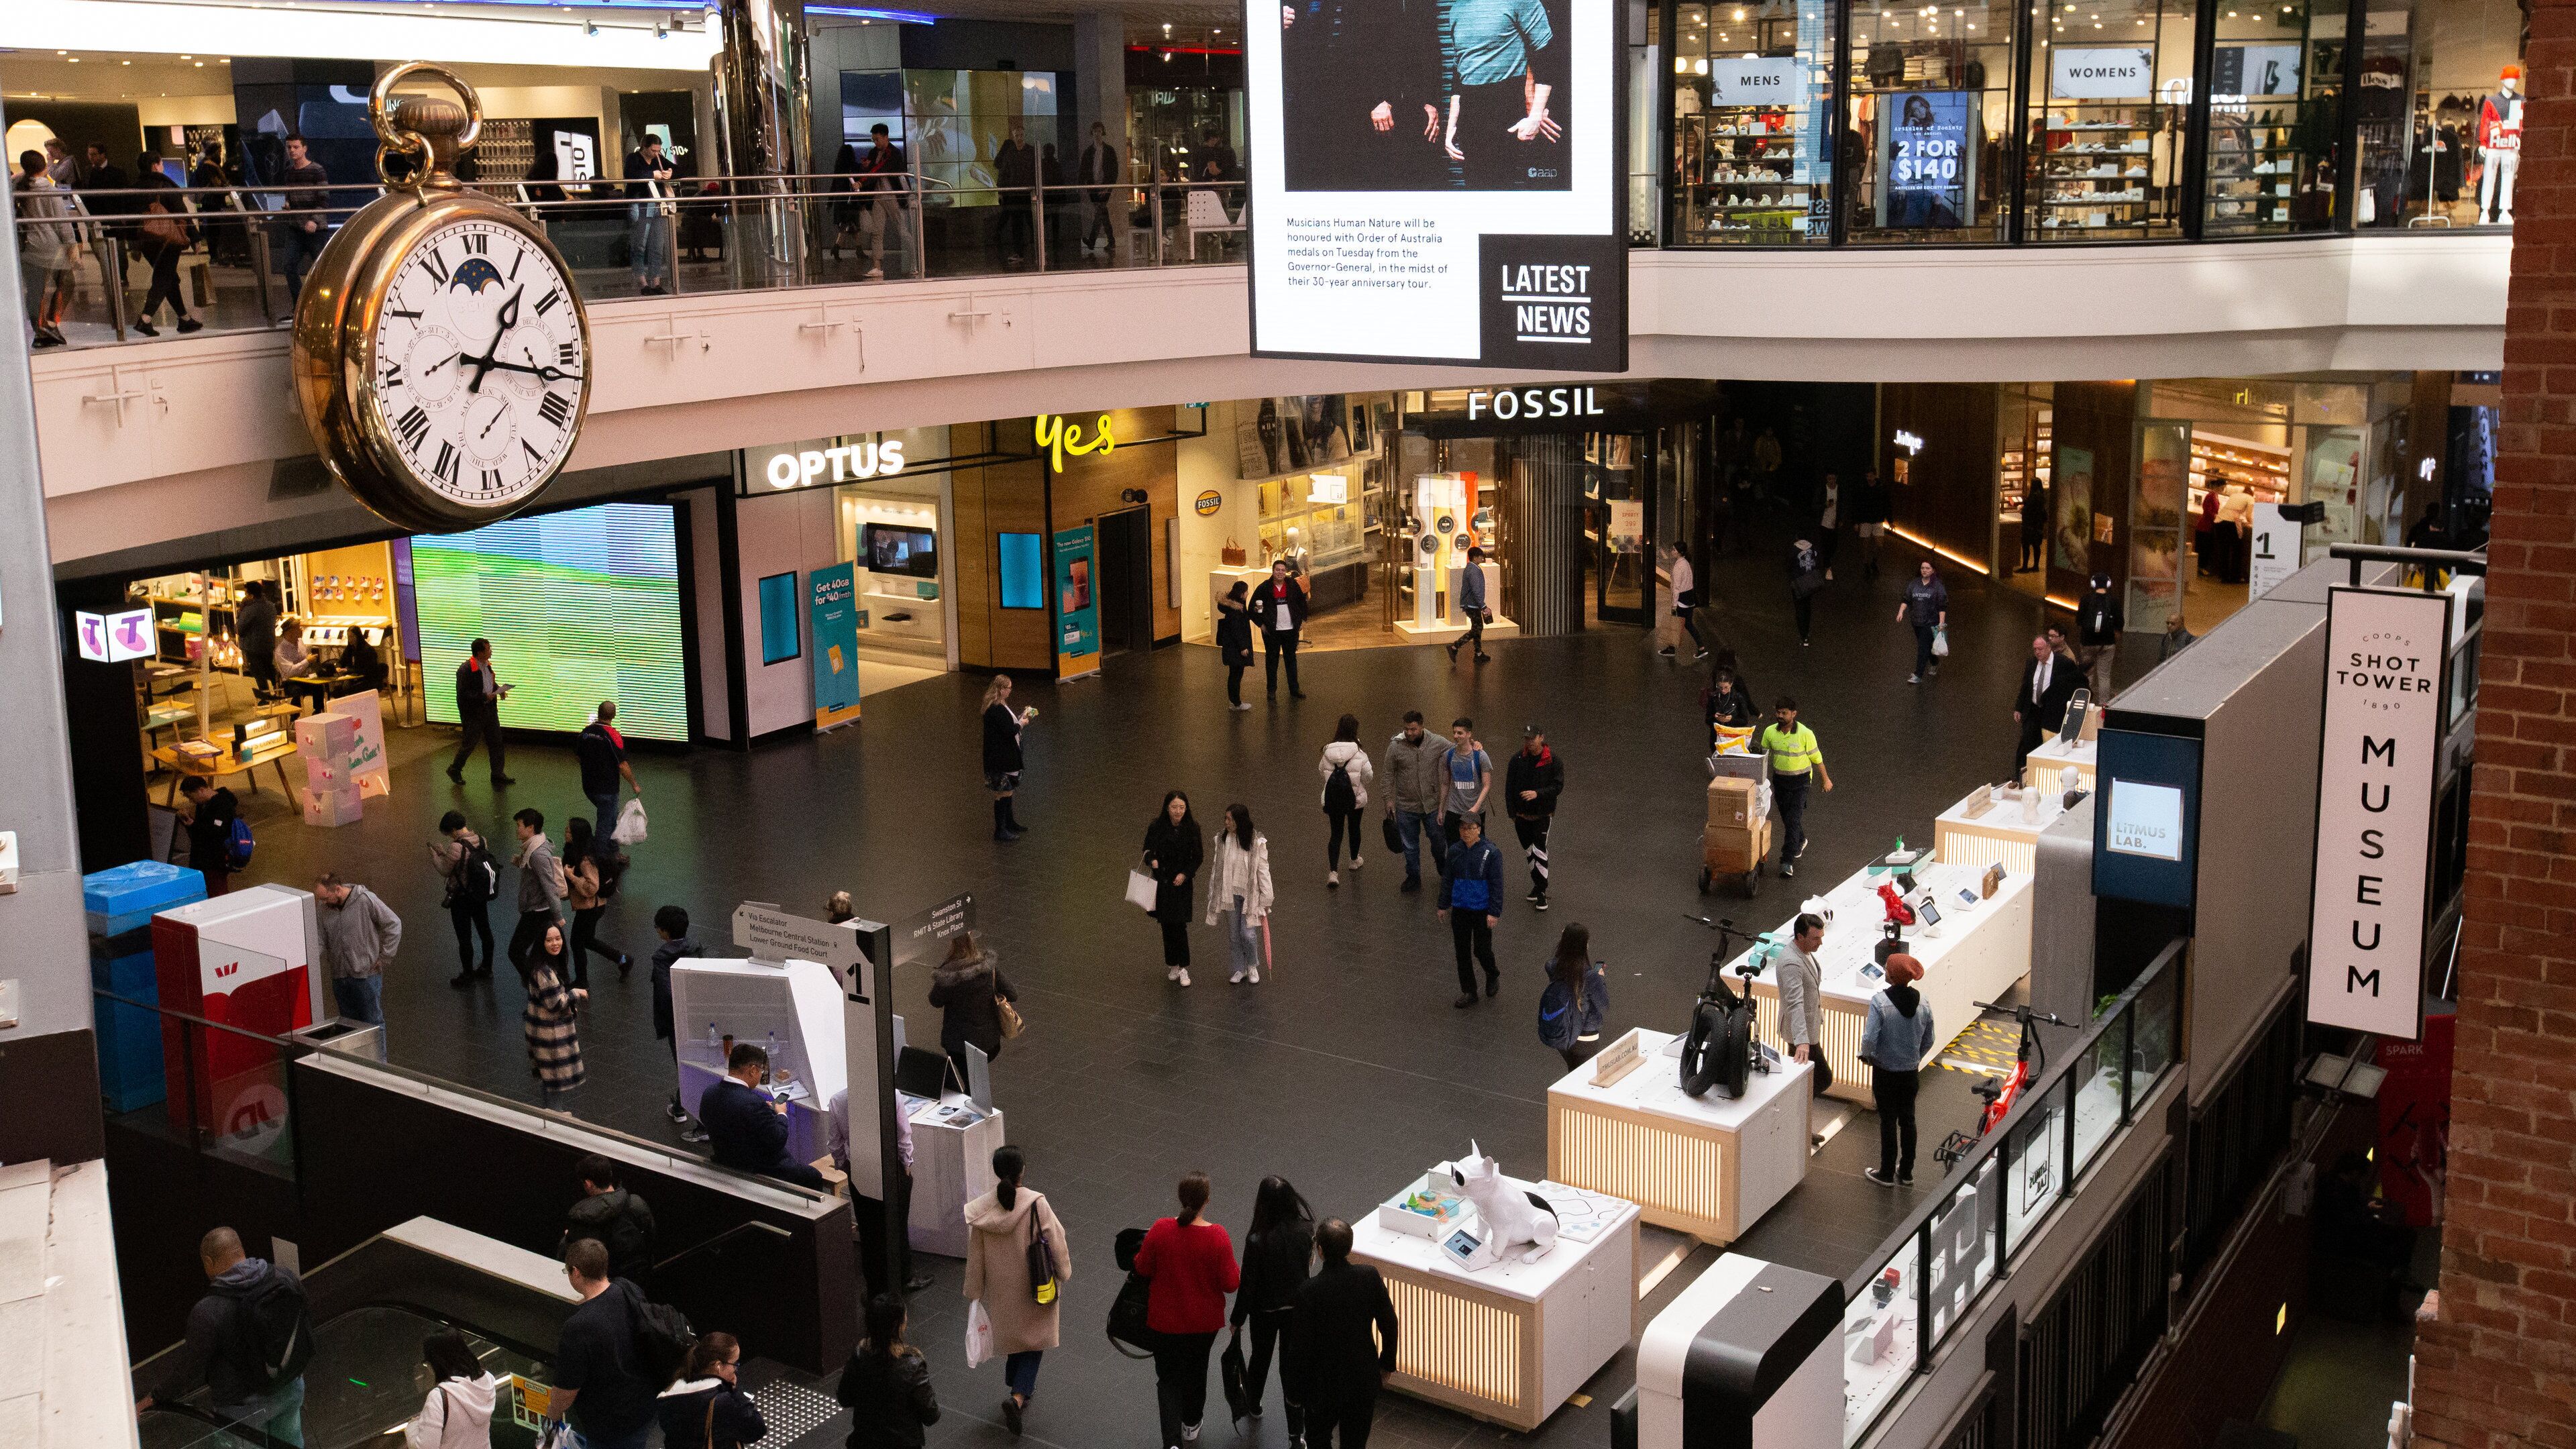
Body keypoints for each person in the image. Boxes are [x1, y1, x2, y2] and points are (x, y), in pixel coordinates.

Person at [135, 1227, 311, 1445]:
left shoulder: (207, 1312)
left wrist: (153, 1398)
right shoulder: (283, 1276)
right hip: (290, 1387)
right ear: (241, 1250)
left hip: (243, 1413)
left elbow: (188, 1370)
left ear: (208, 1261)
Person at [963, 1145, 1070, 1435]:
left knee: (1014, 1336)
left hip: (1002, 1291)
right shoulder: (1036, 1204)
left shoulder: (983, 1212)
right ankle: (1018, 1396)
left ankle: (1016, 1382)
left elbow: (976, 1256)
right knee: (1034, 1341)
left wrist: (974, 1291)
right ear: (1022, 1170)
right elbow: (1056, 1239)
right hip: (1035, 1286)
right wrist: (1064, 1272)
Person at [1135, 1171, 1240, 1449]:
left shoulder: (1161, 1228)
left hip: (1164, 1322)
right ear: (1207, 1201)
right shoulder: (1218, 1236)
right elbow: (1231, 1284)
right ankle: (1191, 1424)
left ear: (1181, 1198)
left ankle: (1171, 1442)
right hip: (1204, 1325)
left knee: (1168, 1380)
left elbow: (1142, 1267)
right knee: (1197, 1370)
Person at [1284, 1218, 1399, 1449]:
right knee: (1355, 1443)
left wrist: (1295, 1392)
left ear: (1320, 1250)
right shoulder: (1369, 1277)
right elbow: (1389, 1323)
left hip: (1322, 1385)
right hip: (1361, 1378)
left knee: (1318, 1439)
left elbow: (1299, 1347)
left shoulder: (1308, 1291)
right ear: (1350, 1247)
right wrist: (1387, 1363)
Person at [1232, 1177, 1316, 1437]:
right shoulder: (1306, 1229)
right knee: (1290, 1366)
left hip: (1264, 1311)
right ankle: (1295, 1433)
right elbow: (1308, 1266)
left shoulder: (1256, 1239)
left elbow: (1248, 1284)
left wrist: (1237, 1319)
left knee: (1260, 1357)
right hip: (1296, 1309)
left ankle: (1253, 1403)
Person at [553, 1240, 657, 1449]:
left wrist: (551, 1415)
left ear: (576, 1272)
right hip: (644, 1407)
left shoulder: (578, 1327)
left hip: (610, 1428)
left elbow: (566, 1392)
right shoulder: (628, 1288)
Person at [698, 1042, 824, 1187]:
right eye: (761, 1071)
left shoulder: (709, 1092)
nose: (760, 1076)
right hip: (759, 1169)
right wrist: (781, 1114)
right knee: (813, 1176)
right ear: (753, 1070)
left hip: (725, 1160)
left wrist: (762, 1111)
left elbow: (715, 1118)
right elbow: (777, 1140)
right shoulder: (753, 1103)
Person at [1861, 953, 1935, 1187]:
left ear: (1892, 975)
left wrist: (1869, 1057)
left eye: (1887, 968)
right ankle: (1906, 1172)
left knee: (1888, 1121)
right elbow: (1930, 1039)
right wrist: (1915, 1058)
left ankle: (1885, 1172)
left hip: (1885, 1072)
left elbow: (1869, 1039)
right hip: (1910, 1073)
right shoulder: (1923, 1002)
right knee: (1908, 1120)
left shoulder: (1880, 1002)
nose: (1884, 969)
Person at [836, 1293, 941, 1449]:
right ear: (900, 1325)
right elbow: (931, 1416)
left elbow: (844, 1399)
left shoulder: (859, 1356)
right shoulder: (913, 1366)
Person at [1756, 698, 1831, 878]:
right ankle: (1801, 839)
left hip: (1801, 782)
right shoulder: (1769, 732)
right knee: (1788, 818)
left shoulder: (1805, 734)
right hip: (1780, 781)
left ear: (1794, 714)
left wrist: (1826, 780)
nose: (1780, 716)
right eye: (1778, 712)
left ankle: (1786, 861)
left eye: (1785, 713)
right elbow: (1764, 758)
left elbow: (1817, 759)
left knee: (1793, 818)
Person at [313, 872, 400, 1026]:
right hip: (340, 976)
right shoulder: (323, 908)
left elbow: (393, 924)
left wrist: (385, 957)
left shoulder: (365, 900)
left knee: (373, 1023)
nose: (323, 903)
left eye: (326, 898)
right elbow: (320, 939)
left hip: (366, 976)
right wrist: (309, 962)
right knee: (348, 1025)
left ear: (338, 890)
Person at [651, 906, 708, 1142]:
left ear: (664, 932)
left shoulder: (662, 958)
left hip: (677, 1022)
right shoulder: (696, 948)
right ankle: (678, 1107)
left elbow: (666, 995)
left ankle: (703, 1126)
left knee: (686, 1070)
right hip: (701, 1017)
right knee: (692, 1066)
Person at [928, 932, 1018, 1081]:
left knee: (970, 1082)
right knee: (976, 1081)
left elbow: (935, 1001)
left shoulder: (948, 975)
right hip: (989, 1043)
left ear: (952, 946)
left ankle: (973, 1093)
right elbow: (1013, 994)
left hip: (958, 1046)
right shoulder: (988, 968)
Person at [655, 1332, 765, 1449]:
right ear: (718, 1366)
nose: (736, 1369)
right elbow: (757, 1429)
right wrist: (734, 1391)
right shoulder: (724, 1401)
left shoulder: (668, 1397)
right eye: (735, 1364)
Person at [1438, 815, 1505, 1008]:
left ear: (1479, 829)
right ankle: (1469, 991)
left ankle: (1492, 973)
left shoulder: (1491, 853)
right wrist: (1443, 905)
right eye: (1462, 828)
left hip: (1482, 910)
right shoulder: (1454, 851)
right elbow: (1447, 879)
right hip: (1460, 908)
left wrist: (1494, 912)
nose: (1465, 832)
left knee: (1482, 950)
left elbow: (1497, 884)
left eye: (1470, 828)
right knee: (1462, 951)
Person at [1205, 804, 1275, 985]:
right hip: (1230, 894)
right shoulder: (1222, 840)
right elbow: (1216, 869)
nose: (1226, 823)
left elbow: (1263, 871)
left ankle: (1252, 965)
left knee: (1248, 935)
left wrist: (1267, 898)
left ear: (1240, 821)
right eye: (1226, 818)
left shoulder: (1256, 843)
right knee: (1234, 936)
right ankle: (1239, 968)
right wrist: (1213, 892)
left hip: (1250, 897)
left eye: (1230, 819)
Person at [131, 154, 201, 337]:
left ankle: (184, 319)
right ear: (155, 166)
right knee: (164, 277)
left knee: (169, 277)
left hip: (146, 239)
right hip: (168, 239)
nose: (162, 166)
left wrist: (134, 244)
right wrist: (195, 237)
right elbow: (182, 214)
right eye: (161, 163)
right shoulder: (164, 185)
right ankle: (145, 319)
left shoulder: (135, 187)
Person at [563, 1154, 657, 1286]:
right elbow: (651, 1238)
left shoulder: (581, 1219)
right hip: (639, 1281)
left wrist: (567, 1239)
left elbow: (571, 1259)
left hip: (605, 1288)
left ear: (588, 1183)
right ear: (610, 1174)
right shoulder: (637, 1204)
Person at [561, 818, 633, 989]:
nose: (566, 833)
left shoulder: (585, 859)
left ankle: (582, 981)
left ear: (577, 835)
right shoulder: (578, 851)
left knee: (577, 943)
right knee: (587, 940)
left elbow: (592, 887)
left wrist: (571, 876)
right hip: (594, 907)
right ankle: (623, 959)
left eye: (569, 831)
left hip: (590, 908)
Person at [430, 811, 497, 986]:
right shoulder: (482, 840)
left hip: (461, 898)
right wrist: (446, 854)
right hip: (479, 894)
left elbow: (445, 870)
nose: (450, 837)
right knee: (485, 931)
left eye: (449, 833)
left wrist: (435, 856)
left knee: (465, 938)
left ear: (453, 829)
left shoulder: (456, 847)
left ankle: (467, 975)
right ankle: (487, 968)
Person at [1144, 790, 1204, 983]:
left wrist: (1185, 874)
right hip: (1163, 883)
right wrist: (1152, 861)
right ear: (1167, 808)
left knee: (1180, 925)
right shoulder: (1156, 827)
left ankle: (1183, 967)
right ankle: (1172, 964)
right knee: (1166, 925)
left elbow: (1198, 857)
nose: (1178, 811)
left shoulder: (1192, 828)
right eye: (1174, 807)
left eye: (1182, 807)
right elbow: (1147, 851)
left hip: (1182, 885)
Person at [1381, 710, 1446, 891]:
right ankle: (1413, 877)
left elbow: (1457, 750)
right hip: (1406, 806)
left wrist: (1474, 744)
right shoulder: (1395, 747)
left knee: (1439, 842)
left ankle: (1442, 866)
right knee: (1409, 846)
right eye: (1406, 729)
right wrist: (1388, 800)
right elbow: (1387, 774)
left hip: (1432, 805)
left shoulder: (1437, 742)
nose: (1409, 733)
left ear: (1422, 726)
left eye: (1413, 729)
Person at [523, 924, 586, 1109]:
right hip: (549, 1035)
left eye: (558, 939)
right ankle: (554, 1115)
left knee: (548, 1077)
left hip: (542, 1031)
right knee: (554, 1078)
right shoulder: (544, 972)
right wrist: (575, 994)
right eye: (549, 940)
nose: (555, 943)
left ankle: (551, 1112)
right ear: (541, 943)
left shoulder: (545, 966)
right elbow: (555, 1003)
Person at [404, 1328, 498, 1449]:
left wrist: (411, 1427)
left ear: (436, 1363)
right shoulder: (486, 1380)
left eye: (427, 1364)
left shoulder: (439, 1397)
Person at [16, 150, 72, 348]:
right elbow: (62, 221)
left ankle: (38, 331)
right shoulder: (48, 189)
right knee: (66, 282)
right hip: (48, 245)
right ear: (44, 166)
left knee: (35, 291)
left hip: (26, 246)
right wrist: (71, 244)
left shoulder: (18, 186)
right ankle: (50, 324)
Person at [1503, 726, 1564, 910]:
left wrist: (1537, 794)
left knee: (1539, 850)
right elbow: (1509, 788)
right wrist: (1512, 813)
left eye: (1532, 738)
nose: (1529, 742)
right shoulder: (1517, 760)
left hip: (1543, 815)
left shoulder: (1553, 761)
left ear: (1541, 738)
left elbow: (1558, 787)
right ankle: (1537, 885)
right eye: (1526, 739)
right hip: (1521, 816)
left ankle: (1542, 891)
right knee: (1529, 851)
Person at [1536, 924, 1611, 1069]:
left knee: (1573, 1070)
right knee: (1581, 1075)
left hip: (1563, 1032)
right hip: (1586, 1037)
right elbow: (1604, 1005)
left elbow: (1556, 961)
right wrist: (1600, 978)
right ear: (1585, 945)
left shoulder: (1552, 967)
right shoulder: (1591, 978)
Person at [1776, 912, 1833, 1099]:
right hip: (1801, 1034)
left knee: (1807, 1081)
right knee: (1821, 1079)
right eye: (1816, 938)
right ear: (1800, 937)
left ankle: (1799, 1106)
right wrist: (1801, 1041)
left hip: (1808, 1029)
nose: (1820, 943)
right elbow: (1795, 1003)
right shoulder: (1791, 963)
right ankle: (1797, 1107)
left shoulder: (1803, 952)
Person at [578, 702, 643, 852]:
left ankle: (614, 852)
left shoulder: (585, 733)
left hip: (589, 787)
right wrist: (634, 784)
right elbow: (622, 765)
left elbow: (579, 757)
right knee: (605, 826)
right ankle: (601, 859)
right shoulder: (613, 735)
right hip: (607, 789)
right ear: (613, 715)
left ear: (598, 713)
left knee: (611, 818)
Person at [507, 809, 565, 980]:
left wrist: (558, 916)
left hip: (537, 911)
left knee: (516, 951)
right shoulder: (533, 847)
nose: (517, 829)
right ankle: (545, 983)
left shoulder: (537, 854)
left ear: (530, 828)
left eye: (519, 825)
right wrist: (521, 861)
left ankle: (536, 984)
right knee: (541, 952)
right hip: (538, 909)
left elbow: (550, 887)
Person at [1319, 714, 1375, 887]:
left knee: (1336, 833)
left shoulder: (1327, 751)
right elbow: (1369, 776)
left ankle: (1333, 872)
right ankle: (1354, 860)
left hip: (1334, 799)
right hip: (1355, 798)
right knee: (1354, 828)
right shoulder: (1359, 752)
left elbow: (1321, 771)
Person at [447, 638, 513, 785]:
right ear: (480, 652)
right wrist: (484, 697)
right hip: (474, 714)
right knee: (469, 744)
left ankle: (497, 774)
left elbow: (488, 682)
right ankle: (455, 769)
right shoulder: (466, 669)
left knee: (496, 742)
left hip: (489, 710)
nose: (491, 652)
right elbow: (463, 694)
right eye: (488, 649)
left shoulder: (486, 665)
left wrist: (498, 690)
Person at [2013, 633, 2082, 772]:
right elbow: (2026, 686)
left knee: (2048, 743)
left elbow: (2075, 684)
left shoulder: (2063, 663)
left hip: (2051, 711)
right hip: (2033, 710)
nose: (2037, 652)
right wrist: (2018, 708)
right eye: (2035, 649)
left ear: (2049, 647)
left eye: (2040, 649)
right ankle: (2021, 774)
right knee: (2026, 742)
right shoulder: (2032, 663)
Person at [276, 133, 330, 304]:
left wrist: (314, 220)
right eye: (289, 147)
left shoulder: (317, 170)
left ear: (304, 149)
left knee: (322, 269)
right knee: (288, 265)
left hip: (316, 229)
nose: (292, 151)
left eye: (296, 147)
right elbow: (290, 195)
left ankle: (323, 304)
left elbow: (323, 198)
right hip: (296, 228)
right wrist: (288, 204)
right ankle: (300, 304)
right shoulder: (289, 172)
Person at [853, 123, 909, 280]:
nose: (875, 143)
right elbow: (872, 170)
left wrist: (862, 181)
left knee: (902, 230)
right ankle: (877, 267)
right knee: (877, 232)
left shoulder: (894, 153)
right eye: (873, 140)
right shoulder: (873, 152)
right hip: (879, 197)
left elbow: (879, 169)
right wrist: (865, 169)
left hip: (893, 196)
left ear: (886, 137)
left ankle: (915, 260)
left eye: (877, 139)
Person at [981, 674, 1032, 840]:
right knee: (1003, 793)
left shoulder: (999, 705)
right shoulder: (996, 709)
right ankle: (1001, 830)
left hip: (1003, 757)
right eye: (1009, 688)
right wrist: (1021, 723)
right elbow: (1008, 731)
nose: (1011, 691)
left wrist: (1018, 720)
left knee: (1008, 791)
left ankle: (1009, 823)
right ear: (1001, 689)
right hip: (1000, 759)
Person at [1249, 560, 1309, 700]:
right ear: (1273, 571)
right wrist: (1261, 624)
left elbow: (1302, 602)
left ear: (1286, 572)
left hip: (1290, 630)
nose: (1280, 573)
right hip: (1272, 632)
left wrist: (1302, 620)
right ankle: (1271, 690)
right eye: (1278, 570)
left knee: (1291, 660)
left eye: (1283, 570)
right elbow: (1252, 608)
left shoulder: (1293, 585)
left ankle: (1294, 689)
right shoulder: (1264, 587)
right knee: (1272, 661)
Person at [625, 135, 676, 294]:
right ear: (644, 147)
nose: (656, 154)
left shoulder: (658, 159)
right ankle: (642, 282)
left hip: (657, 205)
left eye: (658, 151)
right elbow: (630, 175)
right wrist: (652, 175)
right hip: (640, 204)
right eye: (653, 150)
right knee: (639, 245)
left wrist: (670, 173)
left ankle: (656, 282)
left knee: (657, 245)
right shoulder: (633, 158)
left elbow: (678, 169)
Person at [1436, 717, 1493, 859]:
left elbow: (1487, 785)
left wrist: (1476, 808)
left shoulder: (1480, 756)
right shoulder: (1449, 755)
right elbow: (1445, 783)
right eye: (1454, 733)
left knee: (1477, 849)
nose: (1456, 736)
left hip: (1475, 811)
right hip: (1454, 810)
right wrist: (1441, 809)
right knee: (1454, 849)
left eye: (1460, 733)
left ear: (1469, 734)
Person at [179, 776, 240, 895]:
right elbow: (203, 828)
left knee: (217, 892)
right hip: (204, 859)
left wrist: (193, 825)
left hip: (215, 860)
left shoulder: (223, 805)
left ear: (201, 790)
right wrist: (190, 822)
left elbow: (216, 832)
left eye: (191, 797)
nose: (191, 801)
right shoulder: (203, 804)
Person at [1894, 559, 1950, 686]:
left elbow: (1942, 606)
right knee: (1927, 646)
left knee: (1922, 647)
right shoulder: (1914, 584)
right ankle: (1935, 662)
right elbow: (1906, 599)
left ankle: (1918, 674)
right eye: (1923, 568)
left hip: (1930, 622)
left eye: (1928, 568)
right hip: (1916, 621)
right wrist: (1901, 612)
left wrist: (1941, 623)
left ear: (1933, 570)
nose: (1925, 570)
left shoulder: (1937, 586)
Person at [994, 121, 1037, 264]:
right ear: (1013, 136)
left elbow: (1036, 171)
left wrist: (1037, 189)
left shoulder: (1030, 151)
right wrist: (1001, 191)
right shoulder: (1010, 153)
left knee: (1032, 223)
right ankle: (1020, 252)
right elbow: (1004, 173)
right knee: (1017, 225)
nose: (1019, 138)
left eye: (1021, 135)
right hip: (1015, 194)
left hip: (1028, 193)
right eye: (1017, 135)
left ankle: (1038, 250)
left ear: (1024, 135)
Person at [1075, 119, 1120, 258]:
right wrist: (1080, 185)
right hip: (1093, 187)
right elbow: (1083, 170)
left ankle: (1093, 241)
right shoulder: (1089, 152)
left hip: (1105, 186)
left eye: (1099, 131)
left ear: (1102, 133)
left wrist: (1108, 186)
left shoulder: (1109, 151)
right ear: (1092, 133)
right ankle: (1111, 241)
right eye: (1095, 132)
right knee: (1102, 212)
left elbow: (1114, 171)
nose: (1097, 134)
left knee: (1100, 210)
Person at [2077, 573, 2124, 702]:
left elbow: (2079, 620)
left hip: (2087, 643)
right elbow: (2120, 622)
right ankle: (2103, 705)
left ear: (2093, 584)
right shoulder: (2114, 601)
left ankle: (2085, 702)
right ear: (2108, 584)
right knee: (2104, 676)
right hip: (2107, 644)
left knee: (2088, 675)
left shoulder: (2086, 599)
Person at [237, 581, 280, 702]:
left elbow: (239, 629)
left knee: (258, 672)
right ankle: (279, 689)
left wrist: (241, 611)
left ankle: (265, 697)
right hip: (268, 643)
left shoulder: (250, 610)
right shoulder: (271, 606)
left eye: (246, 594)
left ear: (251, 595)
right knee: (269, 668)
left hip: (253, 646)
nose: (245, 596)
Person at [1449, 545, 1492, 664]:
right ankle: (1455, 646)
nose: (1482, 558)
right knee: (1477, 628)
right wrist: (1483, 606)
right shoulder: (1473, 570)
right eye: (1480, 556)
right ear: (1474, 557)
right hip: (1472, 604)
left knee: (1477, 628)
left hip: (1471, 604)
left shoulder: (1471, 568)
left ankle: (1478, 653)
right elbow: (1476, 589)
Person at [1216, 580, 1255, 710]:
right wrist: (1243, 647)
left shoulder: (1236, 606)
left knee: (1235, 674)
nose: (1248, 593)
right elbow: (1236, 630)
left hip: (1231, 647)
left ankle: (1235, 701)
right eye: (1246, 591)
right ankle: (1236, 703)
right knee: (1236, 675)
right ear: (1242, 594)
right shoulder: (1235, 611)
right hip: (1235, 648)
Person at [1703, 667, 1757, 752]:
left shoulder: (1738, 698)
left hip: (1734, 738)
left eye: (1726, 687)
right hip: (1717, 738)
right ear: (1717, 685)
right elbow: (1707, 720)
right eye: (1720, 687)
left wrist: (1731, 719)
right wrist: (1715, 717)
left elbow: (1744, 720)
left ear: (1731, 684)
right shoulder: (1713, 698)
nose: (1723, 690)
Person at [274, 619, 322, 712]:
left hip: (305, 678)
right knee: (297, 691)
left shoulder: (300, 642)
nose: (301, 630)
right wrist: (307, 661)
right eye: (298, 628)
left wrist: (311, 660)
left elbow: (305, 659)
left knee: (319, 686)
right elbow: (290, 672)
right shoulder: (280, 651)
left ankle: (318, 712)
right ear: (290, 632)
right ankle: (294, 716)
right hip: (290, 682)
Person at [1854, 468, 1892, 580]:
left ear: (1875, 476)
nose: (1869, 478)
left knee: (1880, 545)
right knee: (1865, 545)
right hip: (1866, 520)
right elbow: (1857, 506)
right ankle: (1867, 564)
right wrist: (1856, 521)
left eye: (1871, 476)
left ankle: (1873, 562)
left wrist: (1890, 520)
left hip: (1877, 520)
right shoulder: (1863, 488)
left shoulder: (1881, 488)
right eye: (1867, 476)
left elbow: (1887, 505)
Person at [1787, 537, 1825, 647]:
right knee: (1807, 607)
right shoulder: (1812, 548)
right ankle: (1807, 631)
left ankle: (1803, 636)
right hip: (1810, 582)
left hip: (1798, 582)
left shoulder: (1794, 550)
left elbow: (1788, 565)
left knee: (1799, 609)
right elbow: (1818, 562)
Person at [1815, 473, 1845, 580]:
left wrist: (1841, 519)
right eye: (1829, 479)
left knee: (1834, 545)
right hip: (1824, 523)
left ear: (1836, 478)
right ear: (1826, 479)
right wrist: (1825, 505)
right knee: (1825, 545)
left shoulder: (1839, 490)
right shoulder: (1822, 490)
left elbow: (1842, 505)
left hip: (1834, 523)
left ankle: (1826, 561)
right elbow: (1815, 505)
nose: (1831, 481)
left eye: (1833, 478)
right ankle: (1828, 568)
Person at [2021, 483, 2049, 572]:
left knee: (2026, 546)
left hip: (2029, 526)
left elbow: (2028, 511)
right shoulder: (2042, 498)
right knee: (2036, 546)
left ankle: (2025, 567)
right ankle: (2036, 566)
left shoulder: (2033, 498)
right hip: (2038, 527)